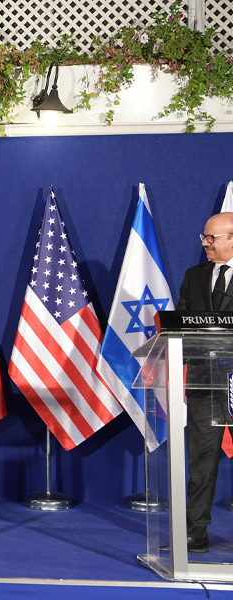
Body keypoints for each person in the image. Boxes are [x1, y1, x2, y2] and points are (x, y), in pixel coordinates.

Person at [176, 211, 233, 553]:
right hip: (204, 381)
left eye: (211, 238)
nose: (205, 244)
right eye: (204, 237)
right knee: (201, 462)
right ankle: (195, 533)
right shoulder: (194, 276)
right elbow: (179, 324)